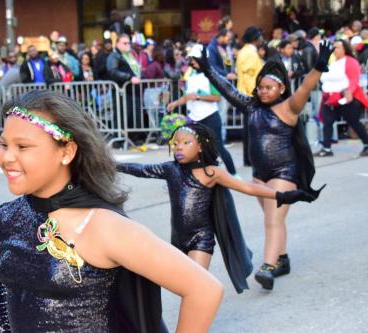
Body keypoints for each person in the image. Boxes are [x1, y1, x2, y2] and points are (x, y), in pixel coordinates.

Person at [0, 90, 224, 332]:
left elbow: (204, 290)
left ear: (67, 151)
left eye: (23, 146)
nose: (6, 157)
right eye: (4, 144)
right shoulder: (2, 219)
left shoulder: (103, 226)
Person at [117, 123, 318, 293]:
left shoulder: (211, 172)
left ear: (201, 147)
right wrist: (112, 164)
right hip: (177, 238)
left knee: (195, 286)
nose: (179, 147)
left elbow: (246, 187)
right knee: (184, 287)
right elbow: (141, 170)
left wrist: (281, 195)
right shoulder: (170, 169)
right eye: (176, 143)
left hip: (201, 239)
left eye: (186, 143)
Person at [198, 40, 331, 290]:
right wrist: (208, 70)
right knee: (273, 219)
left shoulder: (289, 107)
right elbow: (227, 89)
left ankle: (268, 267)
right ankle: (282, 258)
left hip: (284, 172)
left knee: (272, 220)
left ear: (281, 88)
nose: (263, 91)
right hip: (260, 174)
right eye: (260, 87)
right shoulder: (251, 107)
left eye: (269, 87)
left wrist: (319, 68)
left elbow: (304, 88)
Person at [167, 45, 237, 176]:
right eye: (191, 59)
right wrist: (175, 104)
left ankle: (233, 175)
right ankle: (191, 176)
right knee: (192, 147)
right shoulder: (191, 73)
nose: (192, 61)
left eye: (194, 59)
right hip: (194, 118)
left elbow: (216, 97)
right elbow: (188, 96)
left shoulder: (211, 75)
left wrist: (199, 97)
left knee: (218, 148)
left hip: (210, 117)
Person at [315, 39, 368, 157]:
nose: (335, 50)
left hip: (346, 98)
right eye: (333, 47)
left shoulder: (351, 61)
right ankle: (326, 148)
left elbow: (354, 79)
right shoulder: (332, 62)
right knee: (327, 122)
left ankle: (366, 144)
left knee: (353, 122)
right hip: (330, 98)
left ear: (344, 49)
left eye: (337, 47)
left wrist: (349, 92)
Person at [236, 26, 264, 166]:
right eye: (260, 36)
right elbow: (248, 76)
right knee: (252, 129)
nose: (262, 39)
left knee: (250, 128)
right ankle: (250, 158)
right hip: (250, 96)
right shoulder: (249, 53)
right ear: (255, 39)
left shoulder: (246, 51)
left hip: (247, 94)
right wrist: (255, 94)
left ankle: (249, 158)